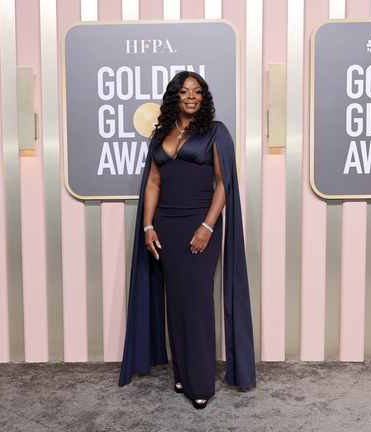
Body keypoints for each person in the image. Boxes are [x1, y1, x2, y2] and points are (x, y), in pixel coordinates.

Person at [118, 71, 256, 409]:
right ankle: (182, 372)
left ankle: (201, 383)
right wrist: (148, 226)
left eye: (197, 91)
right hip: (165, 226)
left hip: (199, 224)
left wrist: (207, 226)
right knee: (175, 301)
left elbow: (224, 183)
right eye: (184, 91)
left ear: (203, 97)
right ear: (174, 97)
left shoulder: (216, 132)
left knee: (196, 302)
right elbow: (153, 181)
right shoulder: (161, 134)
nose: (191, 96)